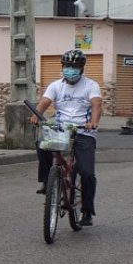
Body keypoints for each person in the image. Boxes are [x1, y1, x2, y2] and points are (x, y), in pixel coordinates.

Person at [27, 49, 102, 226]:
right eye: (68, 66)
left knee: (87, 173)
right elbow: (45, 102)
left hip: (84, 131)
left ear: (81, 68)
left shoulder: (91, 85)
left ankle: (87, 211)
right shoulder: (55, 86)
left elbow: (96, 106)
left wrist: (93, 122)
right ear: (62, 67)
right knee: (42, 143)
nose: (71, 70)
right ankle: (47, 180)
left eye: (75, 67)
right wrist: (37, 115)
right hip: (61, 130)